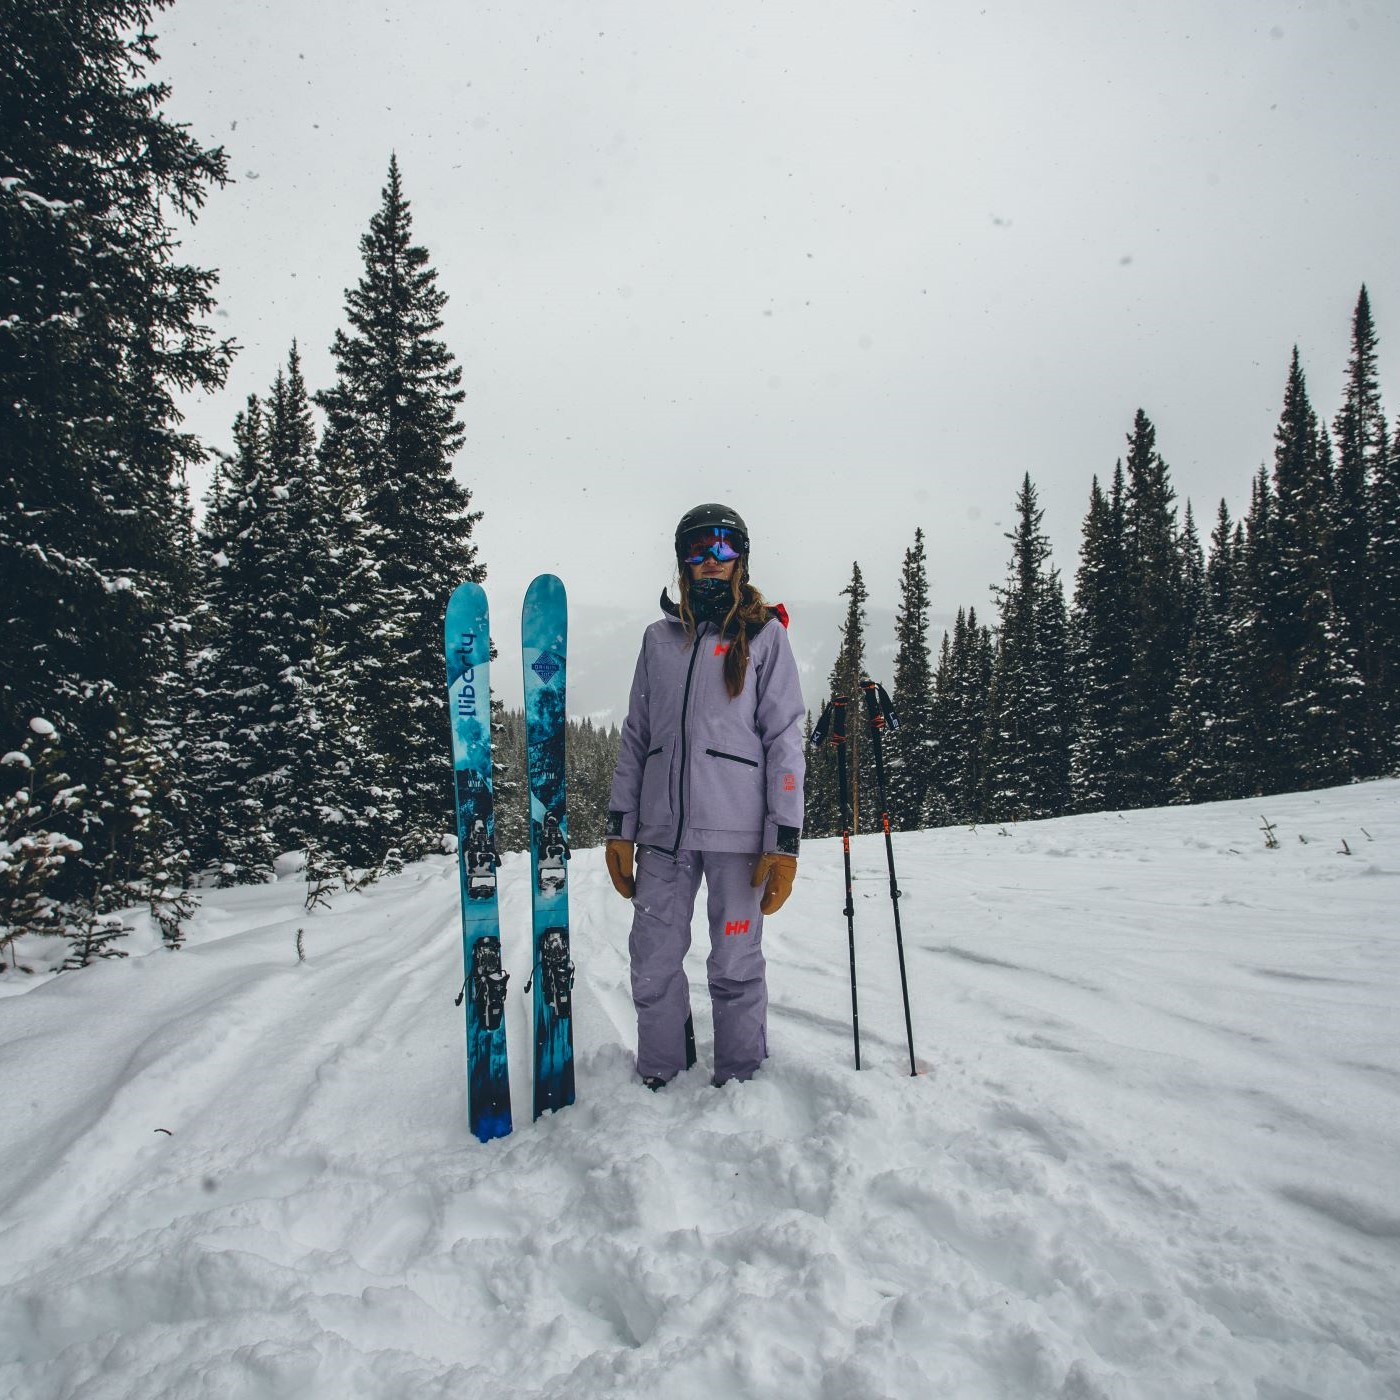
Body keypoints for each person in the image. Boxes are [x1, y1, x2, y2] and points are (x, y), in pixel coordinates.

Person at [604, 504, 806, 1088]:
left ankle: (741, 1081)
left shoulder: (766, 636)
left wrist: (783, 841)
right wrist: (621, 829)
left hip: (739, 839)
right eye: (698, 549)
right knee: (652, 963)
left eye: (722, 548)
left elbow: (785, 743)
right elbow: (637, 738)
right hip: (662, 837)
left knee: (736, 963)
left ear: (740, 559)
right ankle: (661, 1074)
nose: (710, 561)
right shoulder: (658, 641)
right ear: (682, 562)